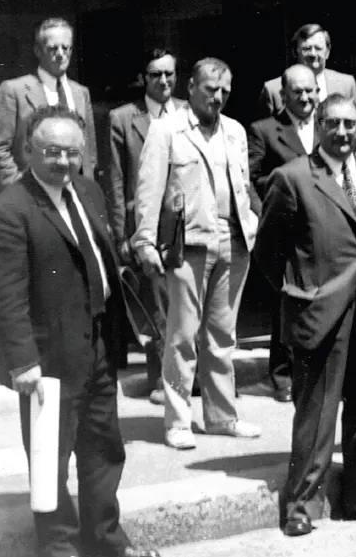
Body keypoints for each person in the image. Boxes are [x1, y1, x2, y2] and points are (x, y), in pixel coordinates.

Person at [0, 105, 160, 557]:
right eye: (52, 151)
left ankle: (106, 539)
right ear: (29, 149)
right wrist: (23, 362)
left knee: (104, 449)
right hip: (49, 356)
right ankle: (60, 547)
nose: (64, 161)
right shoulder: (11, 208)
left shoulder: (87, 191)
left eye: (72, 152)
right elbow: (7, 294)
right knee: (51, 457)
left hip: (99, 344)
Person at [256, 94, 356, 537]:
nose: (342, 132)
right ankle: (301, 504)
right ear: (318, 126)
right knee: (315, 413)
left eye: (349, 124)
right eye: (333, 123)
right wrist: (302, 291)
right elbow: (268, 251)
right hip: (320, 310)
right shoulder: (292, 177)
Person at [132, 58, 261, 450]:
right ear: (190, 87)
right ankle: (178, 421)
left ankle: (222, 417)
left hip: (233, 240)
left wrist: (252, 223)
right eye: (210, 90)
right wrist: (145, 241)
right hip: (188, 243)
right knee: (182, 335)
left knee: (222, 336)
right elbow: (149, 188)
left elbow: (243, 185)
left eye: (225, 91)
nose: (217, 98)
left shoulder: (235, 131)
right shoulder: (166, 129)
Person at [109, 49, 187, 405]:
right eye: (156, 74)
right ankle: (161, 380)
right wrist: (122, 234)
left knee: (185, 300)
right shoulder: (124, 118)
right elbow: (116, 180)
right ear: (144, 78)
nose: (164, 81)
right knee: (155, 303)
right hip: (144, 223)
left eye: (169, 73)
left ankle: (189, 378)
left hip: (183, 222)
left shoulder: (188, 111)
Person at [248, 64, 320, 403]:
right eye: (297, 91)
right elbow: (252, 178)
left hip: (325, 224)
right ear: (283, 94)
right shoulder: (264, 130)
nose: (304, 97)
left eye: (310, 91)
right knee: (287, 300)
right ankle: (284, 374)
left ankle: (318, 370)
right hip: (287, 225)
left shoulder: (329, 124)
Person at [0, 17, 98, 194]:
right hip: (32, 195)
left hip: (77, 193)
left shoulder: (81, 93)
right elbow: (0, 149)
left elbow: (89, 150)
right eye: (53, 48)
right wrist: (21, 191)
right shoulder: (14, 91)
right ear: (38, 50)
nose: (60, 54)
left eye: (66, 48)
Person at [258, 23, 356, 117]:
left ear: (327, 52)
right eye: (306, 49)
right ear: (295, 52)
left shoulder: (346, 84)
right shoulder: (273, 90)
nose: (313, 54)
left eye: (318, 48)